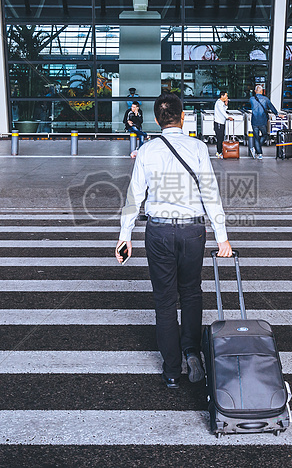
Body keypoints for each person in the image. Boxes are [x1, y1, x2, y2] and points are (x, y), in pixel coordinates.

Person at [116, 92, 232, 389]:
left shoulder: (147, 150)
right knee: (191, 292)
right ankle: (191, 350)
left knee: (165, 301)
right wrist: (223, 238)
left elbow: (134, 197)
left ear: (156, 119)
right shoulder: (197, 147)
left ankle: (171, 371)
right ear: (183, 117)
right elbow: (210, 193)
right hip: (193, 230)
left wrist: (124, 236)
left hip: (159, 232)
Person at [248, 85, 283, 159]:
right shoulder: (265, 99)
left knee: (256, 137)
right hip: (263, 121)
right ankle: (257, 150)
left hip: (254, 121)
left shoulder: (251, 99)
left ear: (255, 91)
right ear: (262, 91)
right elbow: (271, 107)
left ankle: (258, 152)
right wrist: (277, 114)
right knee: (265, 135)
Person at [213, 91, 233, 158]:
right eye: (226, 96)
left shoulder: (221, 103)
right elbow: (222, 112)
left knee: (221, 138)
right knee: (219, 138)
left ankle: (220, 152)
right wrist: (228, 117)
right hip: (218, 123)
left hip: (221, 123)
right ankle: (218, 153)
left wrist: (226, 104)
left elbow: (224, 109)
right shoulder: (219, 103)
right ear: (222, 96)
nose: (227, 97)